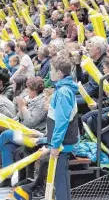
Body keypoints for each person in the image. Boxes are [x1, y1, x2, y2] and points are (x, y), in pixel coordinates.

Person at [45, 54, 79, 200]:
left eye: (51, 70)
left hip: (62, 143)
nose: (49, 73)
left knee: (60, 179)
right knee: (61, 177)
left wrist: (55, 144)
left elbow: (62, 122)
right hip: (62, 142)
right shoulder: (64, 89)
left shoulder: (63, 92)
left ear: (59, 73)